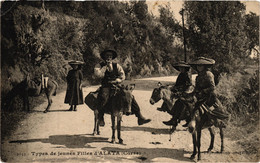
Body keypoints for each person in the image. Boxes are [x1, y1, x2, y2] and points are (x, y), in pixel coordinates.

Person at [94, 49, 151, 126]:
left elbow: (122, 75)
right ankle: (101, 118)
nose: (109, 57)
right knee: (103, 97)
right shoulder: (99, 66)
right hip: (106, 85)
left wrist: (117, 80)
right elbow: (98, 75)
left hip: (116, 84)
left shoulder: (116, 65)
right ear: (104, 57)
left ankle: (139, 117)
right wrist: (104, 67)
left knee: (129, 95)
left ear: (112, 57)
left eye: (110, 56)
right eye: (107, 56)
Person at [189, 57, 228, 127]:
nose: (199, 67)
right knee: (191, 107)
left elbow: (212, 87)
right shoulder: (198, 77)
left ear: (204, 66)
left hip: (209, 95)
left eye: (201, 65)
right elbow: (196, 87)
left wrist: (203, 91)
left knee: (210, 109)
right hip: (200, 96)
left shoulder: (209, 74)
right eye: (198, 66)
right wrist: (192, 93)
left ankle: (217, 122)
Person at [163, 61, 194, 128]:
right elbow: (177, 84)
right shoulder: (181, 74)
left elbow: (188, 85)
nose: (181, 69)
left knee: (180, 102)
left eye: (182, 68)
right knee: (168, 97)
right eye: (180, 68)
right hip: (180, 90)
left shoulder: (187, 74)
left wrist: (179, 90)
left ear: (185, 68)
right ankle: (166, 109)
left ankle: (176, 119)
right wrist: (173, 87)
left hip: (187, 92)